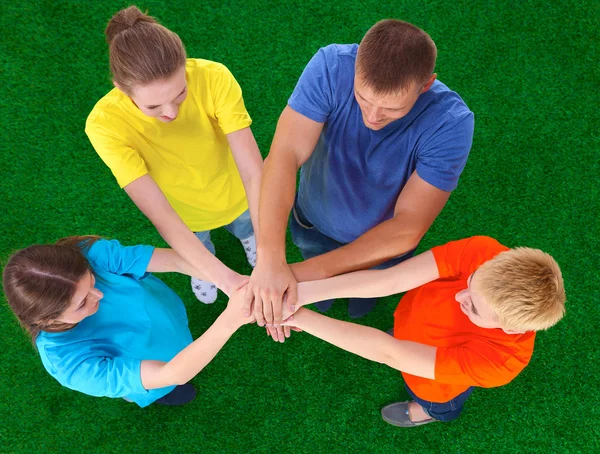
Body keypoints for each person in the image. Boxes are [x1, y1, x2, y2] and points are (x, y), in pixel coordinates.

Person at [247, 18, 475, 333]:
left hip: (382, 245)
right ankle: (327, 295)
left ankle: (357, 299)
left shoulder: (451, 123)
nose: (372, 116)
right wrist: (271, 259)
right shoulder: (330, 66)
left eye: (392, 109)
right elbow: (285, 155)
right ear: (355, 68)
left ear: (426, 85)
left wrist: (299, 277)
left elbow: (408, 226)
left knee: (363, 295)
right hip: (311, 219)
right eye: (363, 98)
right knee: (317, 273)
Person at [267, 236, 566, 426]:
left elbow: (390, 353)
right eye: (471, 280)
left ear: (509, 327)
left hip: (434, 386)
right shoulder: (484, 252)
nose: (459, 296)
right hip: (409, 324)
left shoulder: (500, 362)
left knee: (436, 403)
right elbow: (392, 280)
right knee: (397, 337)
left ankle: (428, 413)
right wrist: (301, 294)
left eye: (473, 307)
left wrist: (300, 317)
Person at [86, 6, 263, 304]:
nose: (171, 112)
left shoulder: (214, 77)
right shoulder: (104, 125)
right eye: (153, 107)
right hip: (183, 212)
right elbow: (161, 215)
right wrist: (228, 281)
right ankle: (202, 265)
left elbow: (254, 173)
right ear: (121, 89)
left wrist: (270, 253)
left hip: (234, 190)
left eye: (180, 93)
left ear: (184, 65)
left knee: (245, 223)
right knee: (198, 244)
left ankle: (249, 237)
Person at [2, 236, 253, 407]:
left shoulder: (89, 255)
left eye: (92, 281)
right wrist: (230, 320)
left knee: (183, 342)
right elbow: (171, 372)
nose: (99, 295)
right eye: (81, 303)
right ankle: (155, 396)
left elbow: (176, 260)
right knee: (173, 387)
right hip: (164, 373)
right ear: (48, 319)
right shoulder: (68, 363)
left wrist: (232, 282)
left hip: (167, 320)